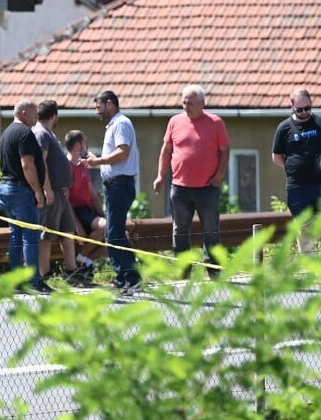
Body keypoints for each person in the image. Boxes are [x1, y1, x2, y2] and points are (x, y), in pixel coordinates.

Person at [152, 85, 230, 278]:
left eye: (191, 103)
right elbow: (166, 150)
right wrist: (160, 175)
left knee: (211, 229)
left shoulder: (215, 122)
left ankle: (214, 270)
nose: (186, 106)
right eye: (184, 103)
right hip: (180, 187)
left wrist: (219, 175)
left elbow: (225, 150)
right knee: (179, 230)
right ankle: (183, 271)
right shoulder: (175, 121)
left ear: (202, 103)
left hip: (207, 188)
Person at [271, 88, 321, 258]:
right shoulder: (284, 128)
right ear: (292, 106)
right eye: (300, 109)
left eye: (307, 108)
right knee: (304, 228)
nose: (304, 112)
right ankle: (308, 266)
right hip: (297, 187)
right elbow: (276, 156)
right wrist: (293, 167)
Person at [84, 90, 142, 294]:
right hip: (116, 186)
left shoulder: (120, 123)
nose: (96, 111)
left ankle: (130, 278)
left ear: (110, 104)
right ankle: (125, 278)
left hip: (120, 185)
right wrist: (97, 161)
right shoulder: (115, 124)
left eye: (98, 106)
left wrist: (98, 161)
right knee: (113, 233)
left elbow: (122, 152)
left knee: (114, 234)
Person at [0, 99, 52, 294]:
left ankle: (16, 281)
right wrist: (38, 190)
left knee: (16, 235)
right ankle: (33, 281)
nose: (37, 116)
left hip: (6, 189)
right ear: (24, 113)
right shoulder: (25, 133)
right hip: (21, 190)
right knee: (30, 236)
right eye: (34, 112)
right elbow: (27, 164)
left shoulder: (7, 133)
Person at [32, 100, 82, 284]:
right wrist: (46, 189)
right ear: (54, 116)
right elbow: (41, 163)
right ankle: (45, 275)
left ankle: (72, 273)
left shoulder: (49, 133)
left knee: (67, 232)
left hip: (61, 193)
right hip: (51, 192)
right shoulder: (41, 133)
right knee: (46, 236)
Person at [65, 130, 105, 269]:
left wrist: (102, 214)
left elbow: (92, 192)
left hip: (87, 211)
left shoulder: (83, 165)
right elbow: (66, 200)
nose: (87, 147)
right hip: (76, 211)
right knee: (106, 228)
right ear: (77, 146)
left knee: (121, 235)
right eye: (85, 143)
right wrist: (77, 225)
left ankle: (85, 261)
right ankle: (82, 258)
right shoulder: (66, 167)